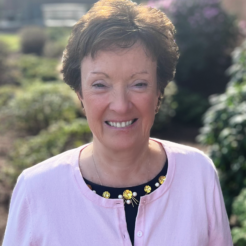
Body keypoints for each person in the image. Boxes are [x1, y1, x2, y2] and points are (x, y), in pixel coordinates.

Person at [3, 0, 232, 245]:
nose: (121, 105)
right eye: (100, 85)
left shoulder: (198, 174)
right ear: (80, 93)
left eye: (139, 83)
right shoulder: (36, 190)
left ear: (159, 91)